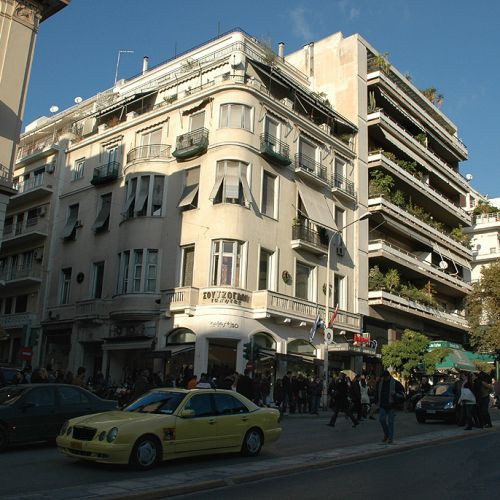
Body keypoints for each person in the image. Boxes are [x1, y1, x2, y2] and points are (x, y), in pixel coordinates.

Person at [375, 370, 405, 444]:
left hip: (392, 405)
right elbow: (377, 392)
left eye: (385, 377)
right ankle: (387, 434)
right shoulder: (380, 383)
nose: (384, 379)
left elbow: (402, 393)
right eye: (383, 377)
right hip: (382, 404)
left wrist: (395, 394)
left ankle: (390, 439)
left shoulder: (396, 383)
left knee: (390, 422)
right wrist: (376, 401)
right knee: (382, 419)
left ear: (388, 376)